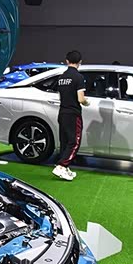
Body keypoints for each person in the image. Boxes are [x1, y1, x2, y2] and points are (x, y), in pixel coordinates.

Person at [52, 50, 88, 182]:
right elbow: (81, 99)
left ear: (67, 61)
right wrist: (87, 102)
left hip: (62, 112)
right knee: (74, 142)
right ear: (80, 62)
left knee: (65, 141)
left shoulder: (61, 77)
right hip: (73, 114)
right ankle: (61, 166)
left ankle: (64, 167)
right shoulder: (79, 77)